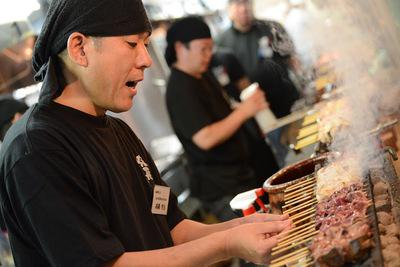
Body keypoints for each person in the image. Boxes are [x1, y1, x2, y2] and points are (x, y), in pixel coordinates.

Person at [0, 1, 292, 267]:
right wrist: (227, 244)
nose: (146, 60)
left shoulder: (118, 130)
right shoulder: (37, 149)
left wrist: (239, 229)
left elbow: (170, 226)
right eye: (131, 43)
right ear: (79, 48)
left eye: (146, 44)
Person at [165, 16, 279, 222]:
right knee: (258, 244)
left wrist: (245, 107)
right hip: (222, 187)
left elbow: (225, 112)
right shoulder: (179, 88)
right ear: (181, 48)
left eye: (211, 48)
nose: (209, 55)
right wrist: (244, 111)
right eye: (203, 49)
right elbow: (205, 138)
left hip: (240, 175)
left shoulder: (202, 75)